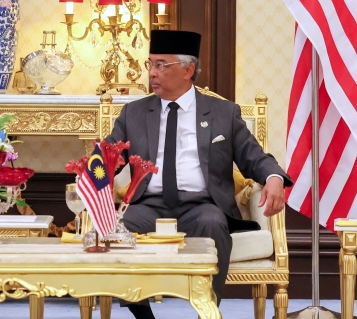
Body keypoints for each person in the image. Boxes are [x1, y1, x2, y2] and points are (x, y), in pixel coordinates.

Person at [105, 30, 292, 318]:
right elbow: (108, 157)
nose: (152, 73)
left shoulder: (223, 113)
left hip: (202, 205)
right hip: (148, 205)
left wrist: (275, 179)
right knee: (120, 230)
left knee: (213, 223)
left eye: (161, 65)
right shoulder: (134, 113)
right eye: (150, 64)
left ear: (188, 70)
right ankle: (143, 316)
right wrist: (91, 174)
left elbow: (254, 157)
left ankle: (206, 312)